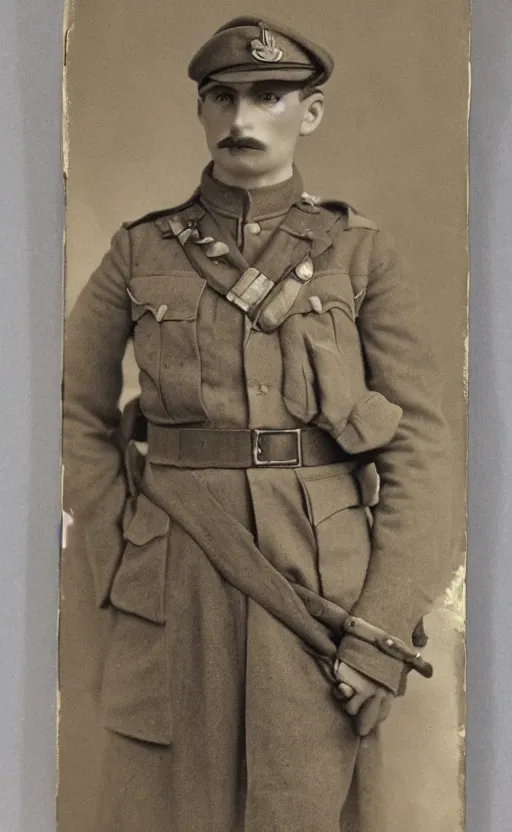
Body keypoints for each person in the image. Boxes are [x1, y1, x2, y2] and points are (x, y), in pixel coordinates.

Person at [60, 14, 451, 832]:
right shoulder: (138, 254)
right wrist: (116, 536)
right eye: (222, 97)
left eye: (268, 96)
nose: (242, 120)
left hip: (321, 592)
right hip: (173, 574)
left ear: (309, 113)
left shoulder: (359, 255)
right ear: (201, 112)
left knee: (303, 808)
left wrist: (381, 623)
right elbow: (68, 411)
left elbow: (419, 444)